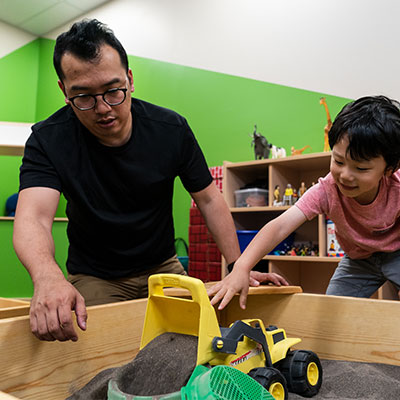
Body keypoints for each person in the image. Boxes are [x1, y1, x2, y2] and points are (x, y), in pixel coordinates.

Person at [13, 19, 287, 342]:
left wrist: (237, 265)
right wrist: (47, 277)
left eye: (113, 91)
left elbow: (209, 199)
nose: (103, 109)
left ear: (130, 80)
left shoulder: (170, 129)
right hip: (95, 276)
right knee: (94, 352)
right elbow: (33, 217)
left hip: (163, 266)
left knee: (197, 343)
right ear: (64, 91)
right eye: (84, 97)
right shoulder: (48, 140)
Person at [209, 95, 400, 310]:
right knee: (331, 310)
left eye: (361, 168)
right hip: (359, 260)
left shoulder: (397, 187)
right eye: (338, 161)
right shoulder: (326, 190)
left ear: (389, 169)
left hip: (397, 253)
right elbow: (280, 226)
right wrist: (241, 268)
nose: (345, 175)